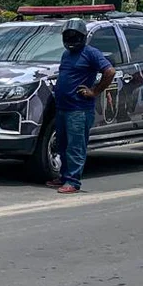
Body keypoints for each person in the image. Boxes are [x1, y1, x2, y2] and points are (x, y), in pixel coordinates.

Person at [48, 19, 115, 194]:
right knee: (62, 145)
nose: (70, 39)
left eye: (74, 36)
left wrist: (94, 91)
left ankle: (73, 181)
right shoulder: (66, 55)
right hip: (63, 108)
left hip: (79, 110)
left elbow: (110, 71)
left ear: (83, 37)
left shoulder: (91, 53)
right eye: (67, 36)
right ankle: (63, 177)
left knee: (75, 146)